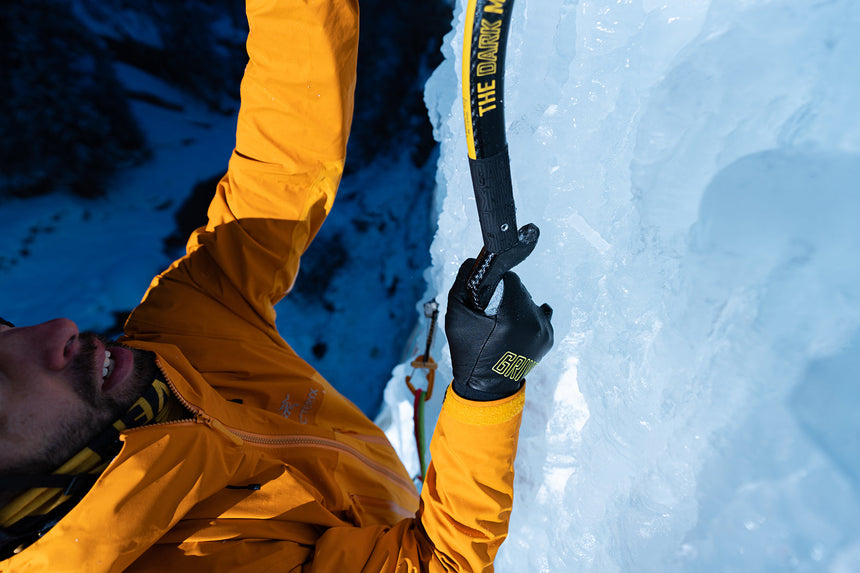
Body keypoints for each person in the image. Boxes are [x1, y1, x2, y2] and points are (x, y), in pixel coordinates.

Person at [0, 0, 553, 570]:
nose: (59, 330)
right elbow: (437, 561)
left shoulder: (185, 335)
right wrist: (491, 385)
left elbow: (282, 170)